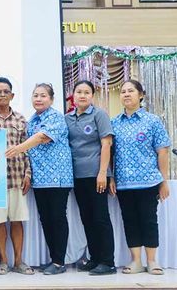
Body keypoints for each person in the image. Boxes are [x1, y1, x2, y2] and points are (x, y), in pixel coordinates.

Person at [5, 83, 73, 275]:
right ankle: (54, 259)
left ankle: (59, 262)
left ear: (51, 99)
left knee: (57, 218)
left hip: (58, 177)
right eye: (35, 95)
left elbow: (42, 137)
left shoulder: (56, 117)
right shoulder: (32, 120)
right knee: (46, 219)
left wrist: (18, 148)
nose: (38, 99)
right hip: (40, 179)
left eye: (43, 96)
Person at [110, 79, 170, 275]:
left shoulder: (152, 121)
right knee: (130, 221)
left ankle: (152, 261)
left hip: (149, 181)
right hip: (124, 184)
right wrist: (111, 178)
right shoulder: (114, 123)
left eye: (131, 91)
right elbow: (109, 154)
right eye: (123, 92)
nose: (126, 94)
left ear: (140, 95)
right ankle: (136, 261)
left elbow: (162, 152)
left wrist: (163, 181)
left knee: (148, 220)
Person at [0, 77, 34, 275]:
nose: (2, 95)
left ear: (12, 95)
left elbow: (28, 149)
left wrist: (28, 173)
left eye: (6, 91)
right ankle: (3, 261)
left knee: (17, 220)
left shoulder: (21, 119)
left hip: (17, 177)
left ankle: (19, 261)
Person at [65, 80, 116, 275]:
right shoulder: (67, 118)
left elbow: (106, 144)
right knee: (87, 219)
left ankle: (108, 262)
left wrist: (103, 173)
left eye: (87, 92)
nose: (82, 95)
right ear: (73, 95)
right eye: (79, 92)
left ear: (92, 96)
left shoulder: (99, 114)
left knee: (100, 218)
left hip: (97, 175)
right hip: (77, 176)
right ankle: (95, 259)